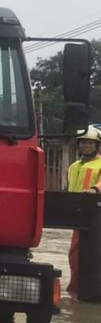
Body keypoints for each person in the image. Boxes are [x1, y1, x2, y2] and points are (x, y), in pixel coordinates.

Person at [66, 127, 101, 297]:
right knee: (75, 254)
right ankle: (75, 289)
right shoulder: (73, 166)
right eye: (83, 143)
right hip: (79, 216)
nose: (86, 146)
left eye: (90, 143)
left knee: (94, 255)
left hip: (97, 216)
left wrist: (95, 189)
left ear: (97, 146)